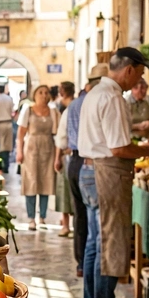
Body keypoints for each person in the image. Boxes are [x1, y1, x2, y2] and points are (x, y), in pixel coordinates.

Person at [78, 48, 149, 298]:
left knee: (96, 243)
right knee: (111, 245)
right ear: (128, 70)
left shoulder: (95, 93)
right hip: (107, 173)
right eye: (139, 74)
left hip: (89, 170)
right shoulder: (113, 97)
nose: (139, 80)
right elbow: (119, 149)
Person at [63, 64, 108, 275]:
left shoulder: (74, 104)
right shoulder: (97, 101)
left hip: (75, 161)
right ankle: (94, 266)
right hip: (91, 161)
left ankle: (81, 262)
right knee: (93, 219)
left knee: (79, 214)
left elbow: (63, 135)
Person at [17, 85, 58, 230]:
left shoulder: (53, 112)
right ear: (35, 95)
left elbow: (57, 133)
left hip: (48, 149)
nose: (44, 95)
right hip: (31, 149)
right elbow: (21, 133)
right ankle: (31, 218)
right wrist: (19, 152)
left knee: (46, 182)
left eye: (46, 92)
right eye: (40, 92)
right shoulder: (28, 110)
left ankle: (42, 217)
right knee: (31, 182)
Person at [53, 81, 76, 237]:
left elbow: (61, 138)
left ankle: (66, 225)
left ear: (62, 93)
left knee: (64, 191)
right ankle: (72, 225)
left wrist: (57, 158)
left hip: (68, 155)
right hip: (79, 155)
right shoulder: (80, 107)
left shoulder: (68, 111)